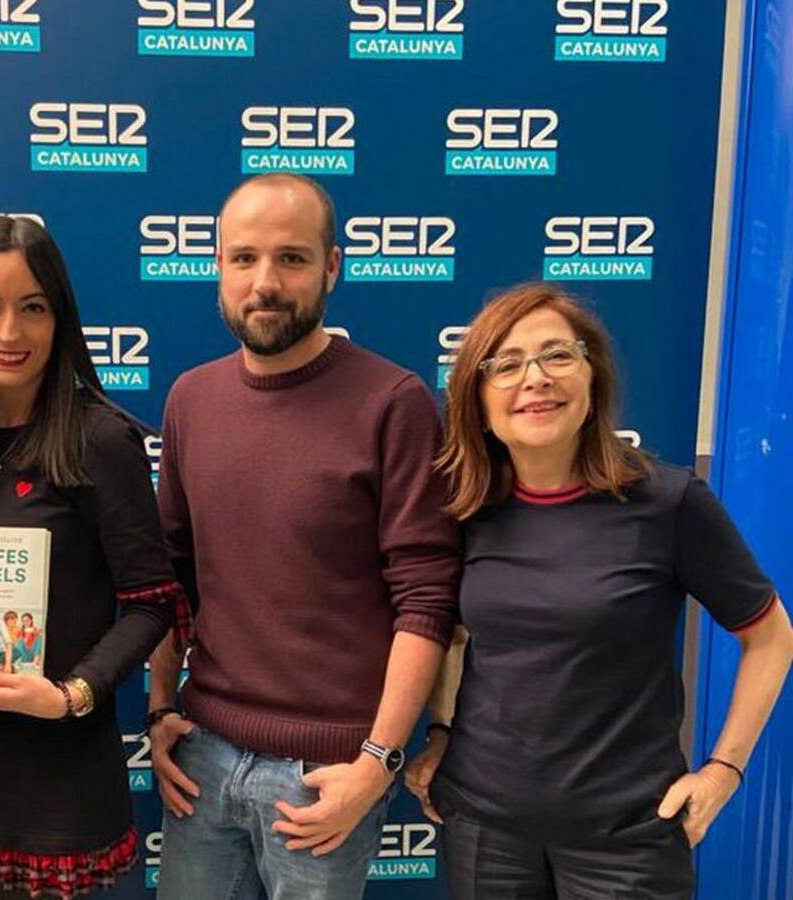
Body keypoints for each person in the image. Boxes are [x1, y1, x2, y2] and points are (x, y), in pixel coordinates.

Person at [403, 282, 793, 899]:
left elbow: (770, 638)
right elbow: (452, 637)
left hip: (627, 838)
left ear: (593, 377)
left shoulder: (668, 502)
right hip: (484, 829)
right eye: (507, 365)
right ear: (477, 400)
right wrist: (441, 733)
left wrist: (723, 770)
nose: (535, 378)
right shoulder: (466, 507)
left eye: (557, 355)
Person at [146, 173, 461, 900]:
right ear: (218, 266)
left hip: (327, 775)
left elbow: (426, 600)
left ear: (332, 267)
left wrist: (377, 762)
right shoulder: (191, 398)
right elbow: (171, 578)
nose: (265, 282)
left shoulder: (394, 402)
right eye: (244, 258)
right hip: (203, 758)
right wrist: (161, 706)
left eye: (291, 258)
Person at [0, 215, 187, 899]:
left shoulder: (100, 440)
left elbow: (152, 605)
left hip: (53, 775)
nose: (9, 332)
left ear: (60, 318)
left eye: (32, 308)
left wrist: (69, 695)